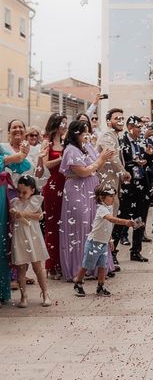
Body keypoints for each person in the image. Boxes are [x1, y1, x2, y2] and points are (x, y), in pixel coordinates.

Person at [59, 120, 114, 282]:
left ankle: (97, 267)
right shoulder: (70, 150)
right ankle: (79, 269)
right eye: (83, 132)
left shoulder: (88, 147)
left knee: (94, 224)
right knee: (80, 226)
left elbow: (97, 167)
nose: (86, 135)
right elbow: (83, 172)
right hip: (76, 191)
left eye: (87, 132)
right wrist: (100, 159)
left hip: (91, 190)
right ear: (75, 133)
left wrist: (105, 157)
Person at [73, 184, 137, 297]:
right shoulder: (102, 209)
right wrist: (126, 222)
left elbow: (107, 227)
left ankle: (100, 286)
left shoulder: (109, 207)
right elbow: (111, 219)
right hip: (94, 243)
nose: (113, 198)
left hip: (103, 243)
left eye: (114, 195)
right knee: (86, 265)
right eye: (110, 196)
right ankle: (78, 282)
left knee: (103, 266)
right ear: (102, 198)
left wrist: (110, 240)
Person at [95, 108, 130, 269]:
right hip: (106, 186)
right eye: (117, 118)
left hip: (113, 185)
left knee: (109, 226)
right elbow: (113, 157)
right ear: (109, 121)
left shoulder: (116, 136)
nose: (120, 121)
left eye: (122, 118)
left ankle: (106, 262)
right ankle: (102, 263)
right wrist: (124, 173)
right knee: (106, 224)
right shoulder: (107, 136)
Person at [9, 175, 51, 308]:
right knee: (21, 268)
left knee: (37, 267)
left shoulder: (35, 201)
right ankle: (23, 296)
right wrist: (14, 213)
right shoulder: (15, 202)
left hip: (33, 236)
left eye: (24, 192)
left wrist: (25, 214)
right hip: (20, 237)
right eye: (19, 192)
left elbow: (39, 216)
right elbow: (12, 217)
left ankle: (45, 293)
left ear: (32, 190)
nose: (21, 195)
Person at [116, 116, 151, 262]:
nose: (141, 130)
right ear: (130, 127)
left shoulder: (141, 142)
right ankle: (113, 253)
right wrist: (134, 163)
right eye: (138, 127)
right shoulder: (121, 142)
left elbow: (148, 159)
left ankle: (136, 251)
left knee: (140, 218)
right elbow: (120, 161)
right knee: (122, 217)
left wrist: (148, 156)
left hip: (142, 184)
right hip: (127, 185)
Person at [42, 113, 67, 280]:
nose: (65, 126)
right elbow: (45, 164)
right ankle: (51, 265)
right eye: (62, 123)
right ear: (56, 124)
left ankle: (61, 263)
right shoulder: (47, 142)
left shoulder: (66, 143)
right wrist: (61, 159)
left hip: (65, 185)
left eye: (66, 123)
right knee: (52, 224)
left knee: (63, 224)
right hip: (51, 185)